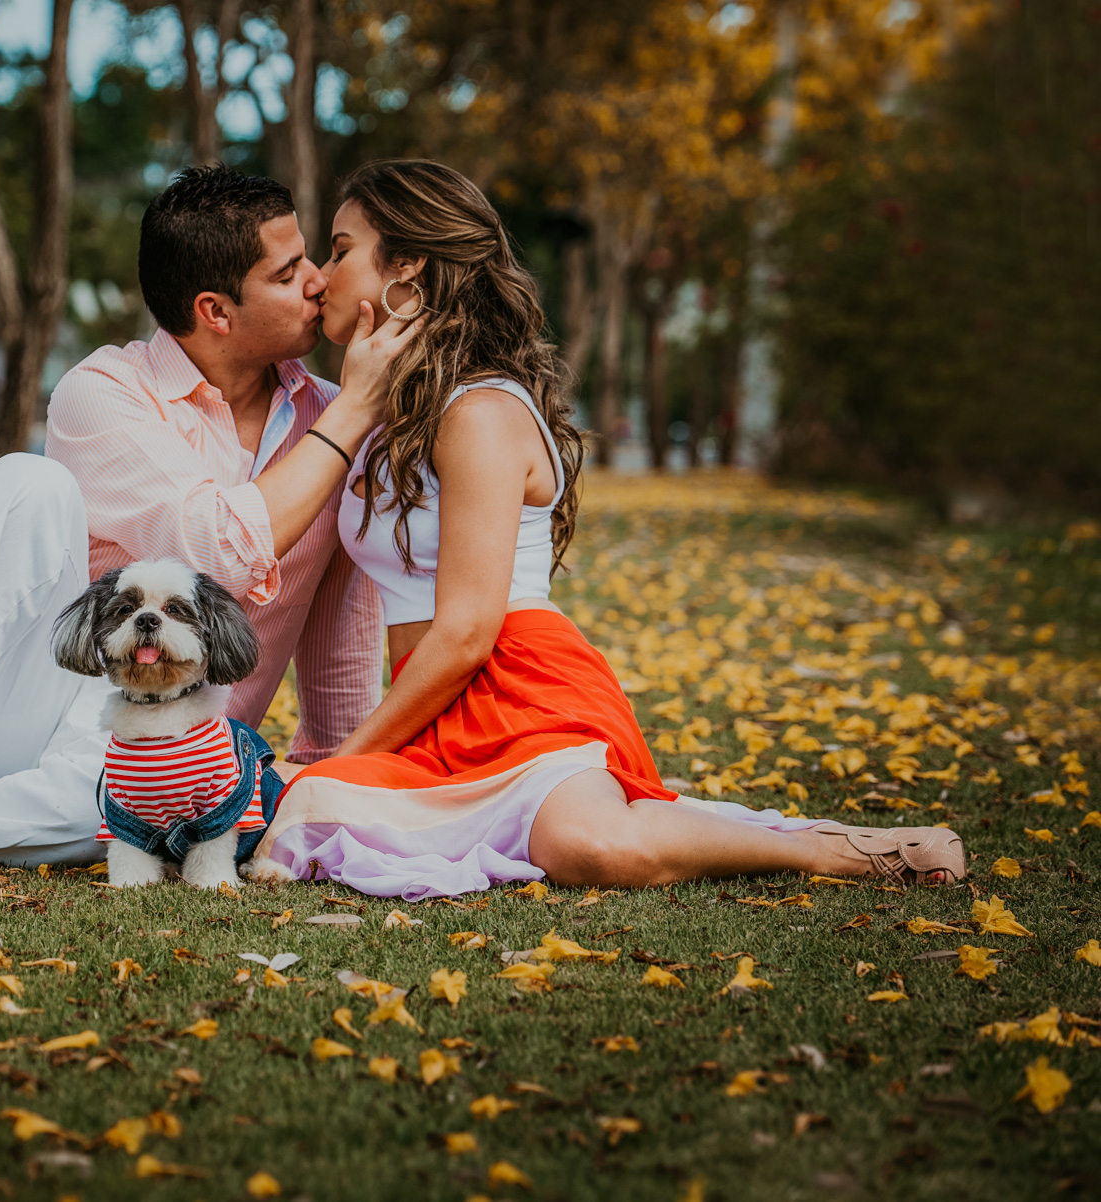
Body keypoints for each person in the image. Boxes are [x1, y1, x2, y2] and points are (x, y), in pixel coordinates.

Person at [245, 159, 966, 899]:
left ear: (409, 268)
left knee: (587, 846)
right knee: (309, 811)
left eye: (339, 249)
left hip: (525, 690)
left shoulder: (477, 413)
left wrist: (344, 756)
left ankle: (832, 849)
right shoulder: (371, 417)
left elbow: (466, 632)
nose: (320, 276)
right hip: (432, 713)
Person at [0, 167, 419, 882]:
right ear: (216, 310)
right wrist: (354, 416)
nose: (316, 281)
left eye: (311, 256)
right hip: (57, 690)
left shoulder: (332, 417)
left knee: (124, 814)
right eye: (287, 271)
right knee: (25, 483)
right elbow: (220, 553)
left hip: (188, 757)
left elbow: (342, 635)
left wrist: (323, 780)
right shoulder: (105, 392)